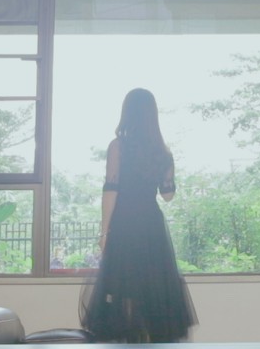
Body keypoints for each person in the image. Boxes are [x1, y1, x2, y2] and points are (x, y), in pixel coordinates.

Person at [80, 88, 197, 343]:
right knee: (153, 287)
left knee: (122, 288)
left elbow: (111, 189)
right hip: (151, 224)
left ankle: (129, 341)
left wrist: (104, 231)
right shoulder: (163, 152)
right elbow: (168, 195)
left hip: (125, 223)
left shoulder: (118, 147)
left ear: (127, 113)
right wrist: (168, 169)